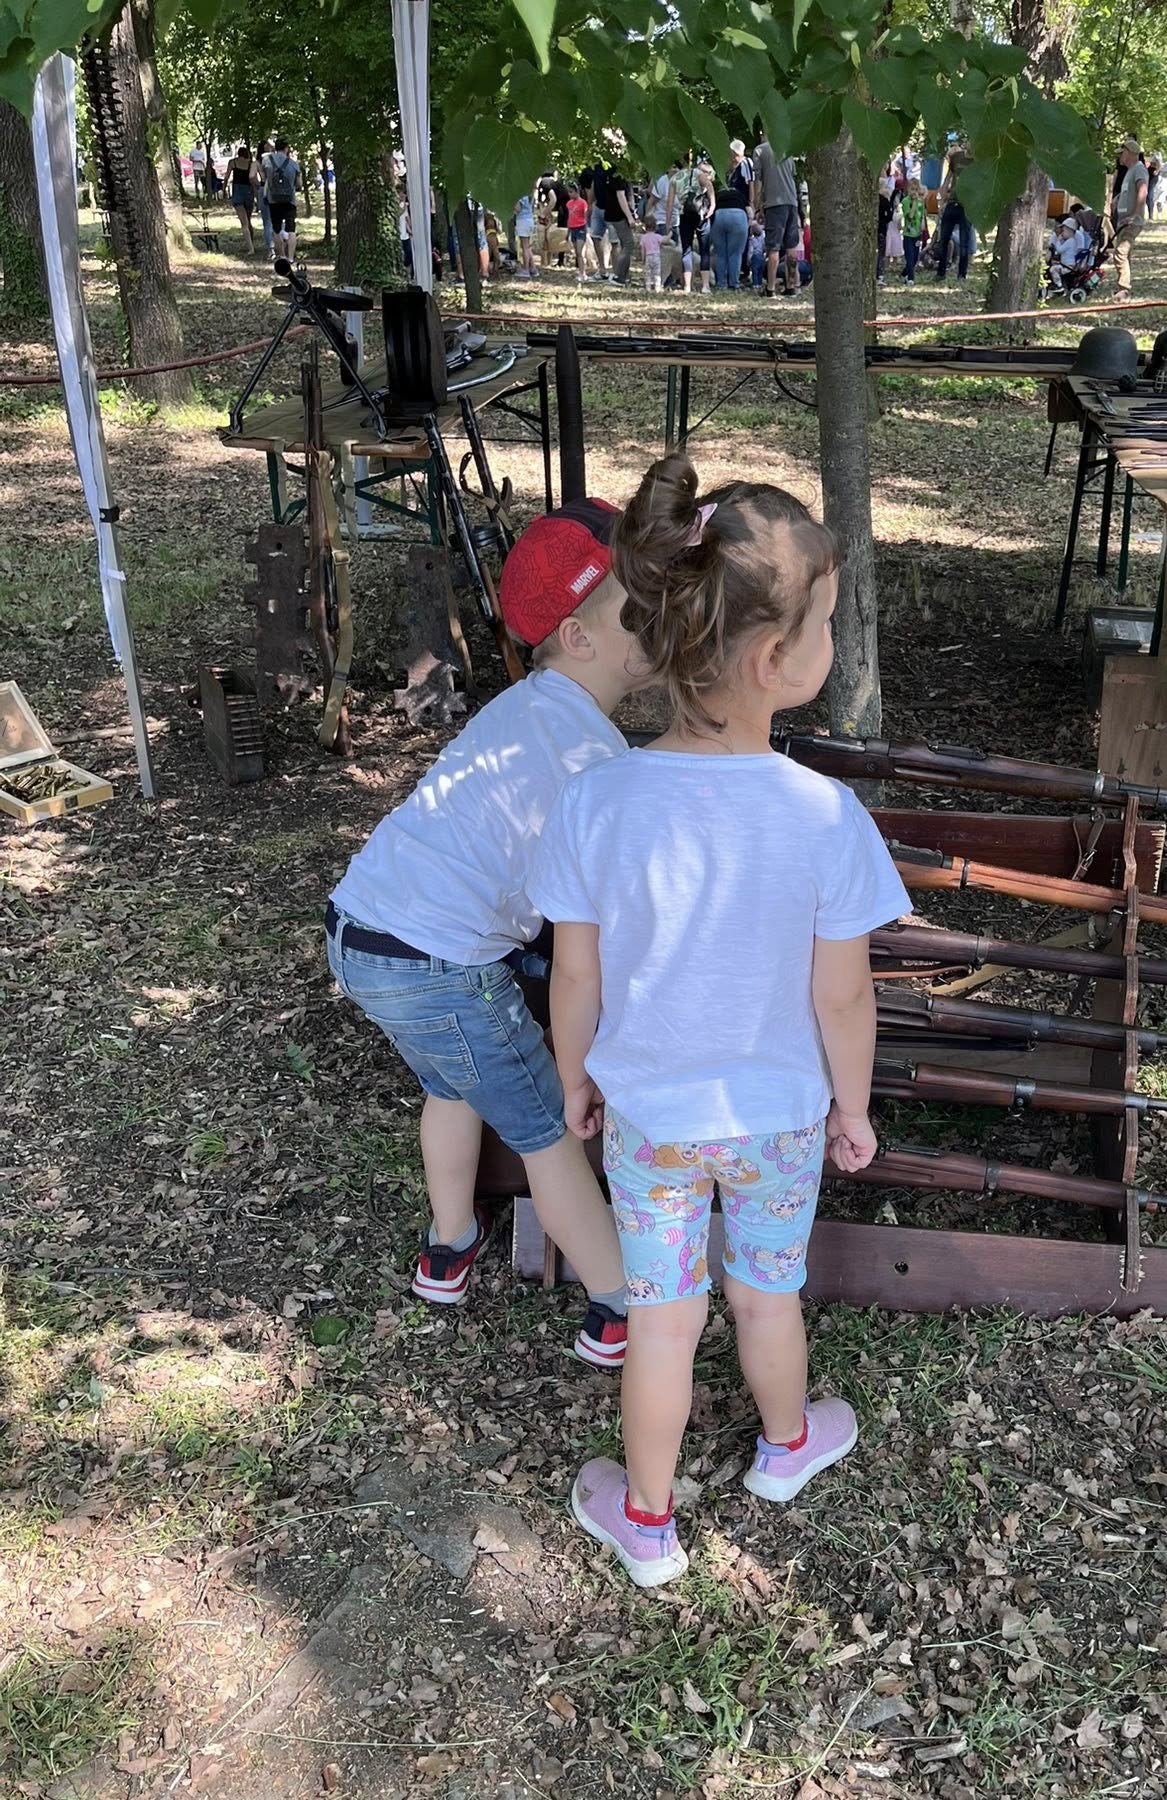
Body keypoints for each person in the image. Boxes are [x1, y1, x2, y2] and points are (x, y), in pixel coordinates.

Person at [529, 453, 911, 1589]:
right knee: (765, 1291)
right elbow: (842, 995)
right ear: (770, 662)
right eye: (825, 623)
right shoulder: (824, 816)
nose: (831, 639)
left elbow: (575, 976)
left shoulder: (596, 800)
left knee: (662, 1316)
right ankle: (787, 1445)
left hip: (650, 1120)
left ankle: (647, 1521)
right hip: (778, 1120)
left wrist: (575, 1079)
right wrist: (851, 1106)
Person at [326, 500, 645, 1361]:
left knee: (451, 1084)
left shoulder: (526, 709)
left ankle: (450, 1244)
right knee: (546, 1130)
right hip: (439, 962)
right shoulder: (593, 759)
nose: (663, 616)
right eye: (640, 606)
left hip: (362, 935)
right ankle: (620, 1303)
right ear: (579, 636)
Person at [752, 130, 800, 297]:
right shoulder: (787, 149)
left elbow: (758, 180)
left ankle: (770, 288)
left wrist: (758, 206)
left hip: (774, 204)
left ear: (763, 133)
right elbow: (792, 176)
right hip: (792, 202)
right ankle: (791, 286)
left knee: (773, 247)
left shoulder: (760, 150)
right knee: (791, 247)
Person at [1108, 138, 1148, 298]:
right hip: (1123, 221)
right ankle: (1122, 286)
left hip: (1131, 221)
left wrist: (1134, 215)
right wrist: (1118, 199)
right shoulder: (1130, 171)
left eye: (1122, 153)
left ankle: (1123, 289)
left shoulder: (1139, 169)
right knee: (1125, 254)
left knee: (1120, 253)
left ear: (1130, 153)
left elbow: (1142, 191)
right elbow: (1129, 191)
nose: (1119, 157)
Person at [713, 141, 751, 289]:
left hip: (719, 214)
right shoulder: (745, 166)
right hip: (738, 212)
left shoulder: (730, 173)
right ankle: (734, 283)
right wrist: (752, 204)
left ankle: (721, 283)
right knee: (735, 253)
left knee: (720, 253)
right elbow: (752, 183)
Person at [934, 146, 972, 283]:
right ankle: (941, 273)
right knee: (944, 240)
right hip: (952, 203)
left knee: (964, 242)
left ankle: (962, 274)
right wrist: (942, 200)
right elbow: (948, 178)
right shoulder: (957, 157)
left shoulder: (979, 161)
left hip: (966, 206)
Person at [679, 156, 714, 292]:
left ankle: (687, 285)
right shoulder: (703, 179)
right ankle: (705, 285)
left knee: (687, 250)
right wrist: (712, 206)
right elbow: (710, 187)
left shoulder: (683, 179)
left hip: (685, 214)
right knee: (704, 251)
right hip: (701, 215)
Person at [264, 138, 300, 264]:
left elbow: (264, 178)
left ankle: (282, 256)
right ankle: (291, 257)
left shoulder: (267, 161)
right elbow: (299, 184)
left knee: (276, 229)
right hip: (290, 200)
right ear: (286, 148)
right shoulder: (293, 164)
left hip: (273, 199)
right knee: (291, 229)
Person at [228, 145, 257, 256]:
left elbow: (226, 176)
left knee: (244, 222)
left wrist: (224, 188)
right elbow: (253, 179)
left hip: (237, 192)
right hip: (249, 192)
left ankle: (250, 248)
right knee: (248, 219)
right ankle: (251, 243)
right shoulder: (251, 164)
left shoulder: (233, 162)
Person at [899, 178, 927, 284]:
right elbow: (910, 216)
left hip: (917, 234)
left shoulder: (920, 202)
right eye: (912, 189)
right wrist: (914, 202)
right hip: (908, 234)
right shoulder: (906, 201)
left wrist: (923, 223)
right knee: (909, 257)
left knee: (915, 258)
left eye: (916, 189)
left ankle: (904, 274)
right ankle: (910, 279)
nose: (914, 192)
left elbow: (922, 214)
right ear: (908, 189)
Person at [566, 185, 590, 281]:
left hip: (581, 227)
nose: (569, 194)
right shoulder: (569, 204)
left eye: (571, 192)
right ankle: (580, 270)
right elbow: (569, 217)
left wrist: (586, 228)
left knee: (580, 252)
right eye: (569, 192)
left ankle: (583, 273)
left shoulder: (583, 203)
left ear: (577, 192)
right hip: (573, 228)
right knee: (577, 252)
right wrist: (568, 232)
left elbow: (585, 216)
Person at [514, 192, 537, 276]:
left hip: (522, 220)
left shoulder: (520, 195)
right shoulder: (529, 194)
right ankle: (533, 268)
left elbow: (518, 209)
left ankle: (525, 269)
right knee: (527, 247)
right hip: (529, 219)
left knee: (524, 247)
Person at [641, 214, 663, 291]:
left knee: (648, 273)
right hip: (656, 256)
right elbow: (664, 240)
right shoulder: (657, 236)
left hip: (648, 256)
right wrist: (670, 233)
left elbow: (643, 250)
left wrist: (643, 259)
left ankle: (648, 287)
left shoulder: (643, 238)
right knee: (657, 273)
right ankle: (657, 287)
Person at [747, 218, 767, 290]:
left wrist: (749, 259)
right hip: (761, 256)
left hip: (755, 256)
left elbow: (750, 250)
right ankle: (760, 283)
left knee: (755, 271)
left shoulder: (752, 240)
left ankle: (755, 284)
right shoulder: (763, 238)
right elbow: (764, 247)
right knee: (760, 271)